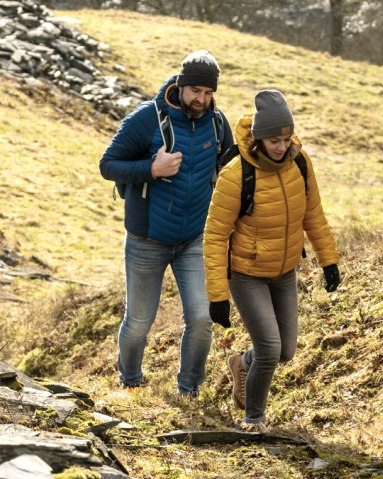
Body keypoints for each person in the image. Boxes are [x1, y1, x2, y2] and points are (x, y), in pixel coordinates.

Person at [99, 50, 234, 395]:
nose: (201, 100)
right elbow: (108, 164)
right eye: (195, 92)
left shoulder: (218, 124)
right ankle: (131, 383)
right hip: (147, 239)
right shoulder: (146, 118)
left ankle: (189, 390)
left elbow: (233, 172)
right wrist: (151, 169)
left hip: (194, 238)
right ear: (181, 85)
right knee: (139, 323)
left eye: (208, 93)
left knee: (202, 319)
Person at [203, 89, 340, 426]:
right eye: (274, 140)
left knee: (285, 351)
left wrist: (329, 261)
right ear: (260, 139)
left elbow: (314, 215)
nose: (281, 146)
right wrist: (218, 296)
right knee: (269, 350)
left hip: (284, 270)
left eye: (286, 137)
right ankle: (254, 420)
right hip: (246, 274)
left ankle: (241, 363)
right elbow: (215, 236)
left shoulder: (300, 163)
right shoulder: (236, 174)